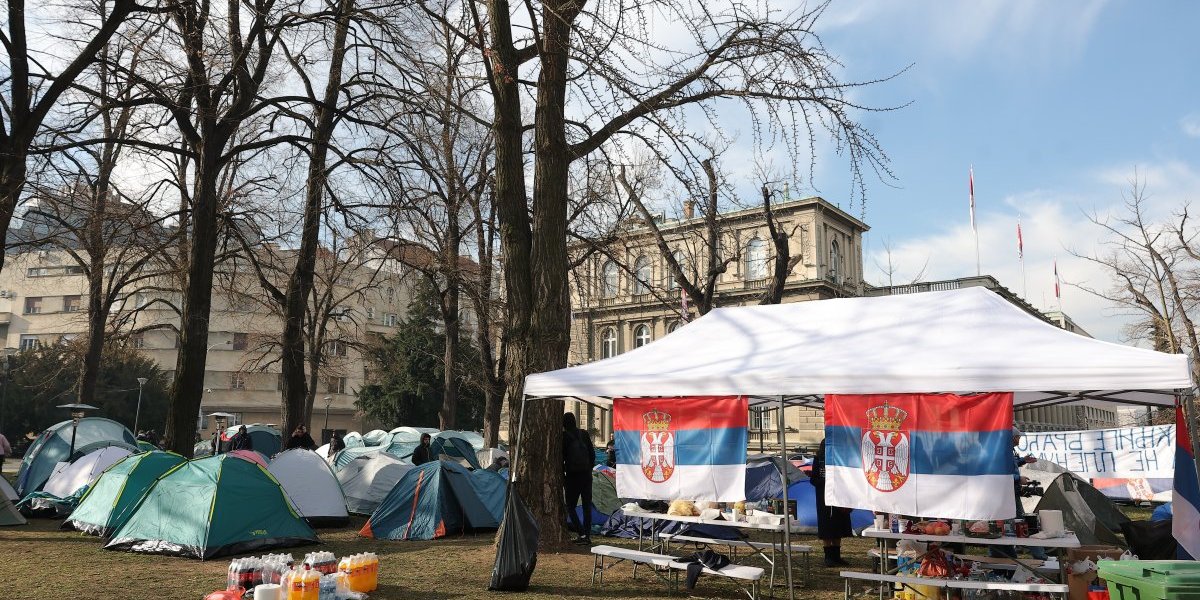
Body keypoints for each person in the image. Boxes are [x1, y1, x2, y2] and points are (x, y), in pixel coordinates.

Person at [812, 438, 851, 567]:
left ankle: (836, 556)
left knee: (838, 527)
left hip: (838, 497)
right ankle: (828, 557)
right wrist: (827, 481)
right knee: (827, 528)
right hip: (824, 499)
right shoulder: (818, 460)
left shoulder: (839, 460)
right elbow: (813, 479)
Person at [562, 412, 595, 545]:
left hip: (573, 476)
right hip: (587, 475)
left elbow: (561, 457)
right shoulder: (584, 434)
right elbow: (592, 454)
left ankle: (581, 533)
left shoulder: (564, 437)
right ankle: (587, 535)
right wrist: (589, 469)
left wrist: (563, 474)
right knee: (587, 506)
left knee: (570, 506)